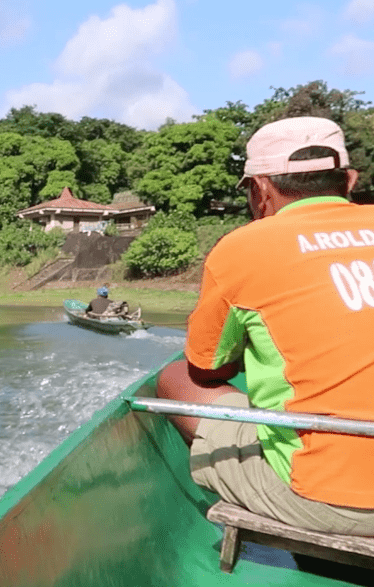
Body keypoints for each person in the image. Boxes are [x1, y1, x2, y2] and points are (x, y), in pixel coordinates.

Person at [156, 116, 374, 535]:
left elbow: (207, 369)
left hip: (333, 499)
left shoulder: (243, 247)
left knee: (174, 378)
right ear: (348, 180)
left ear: (260, 191)